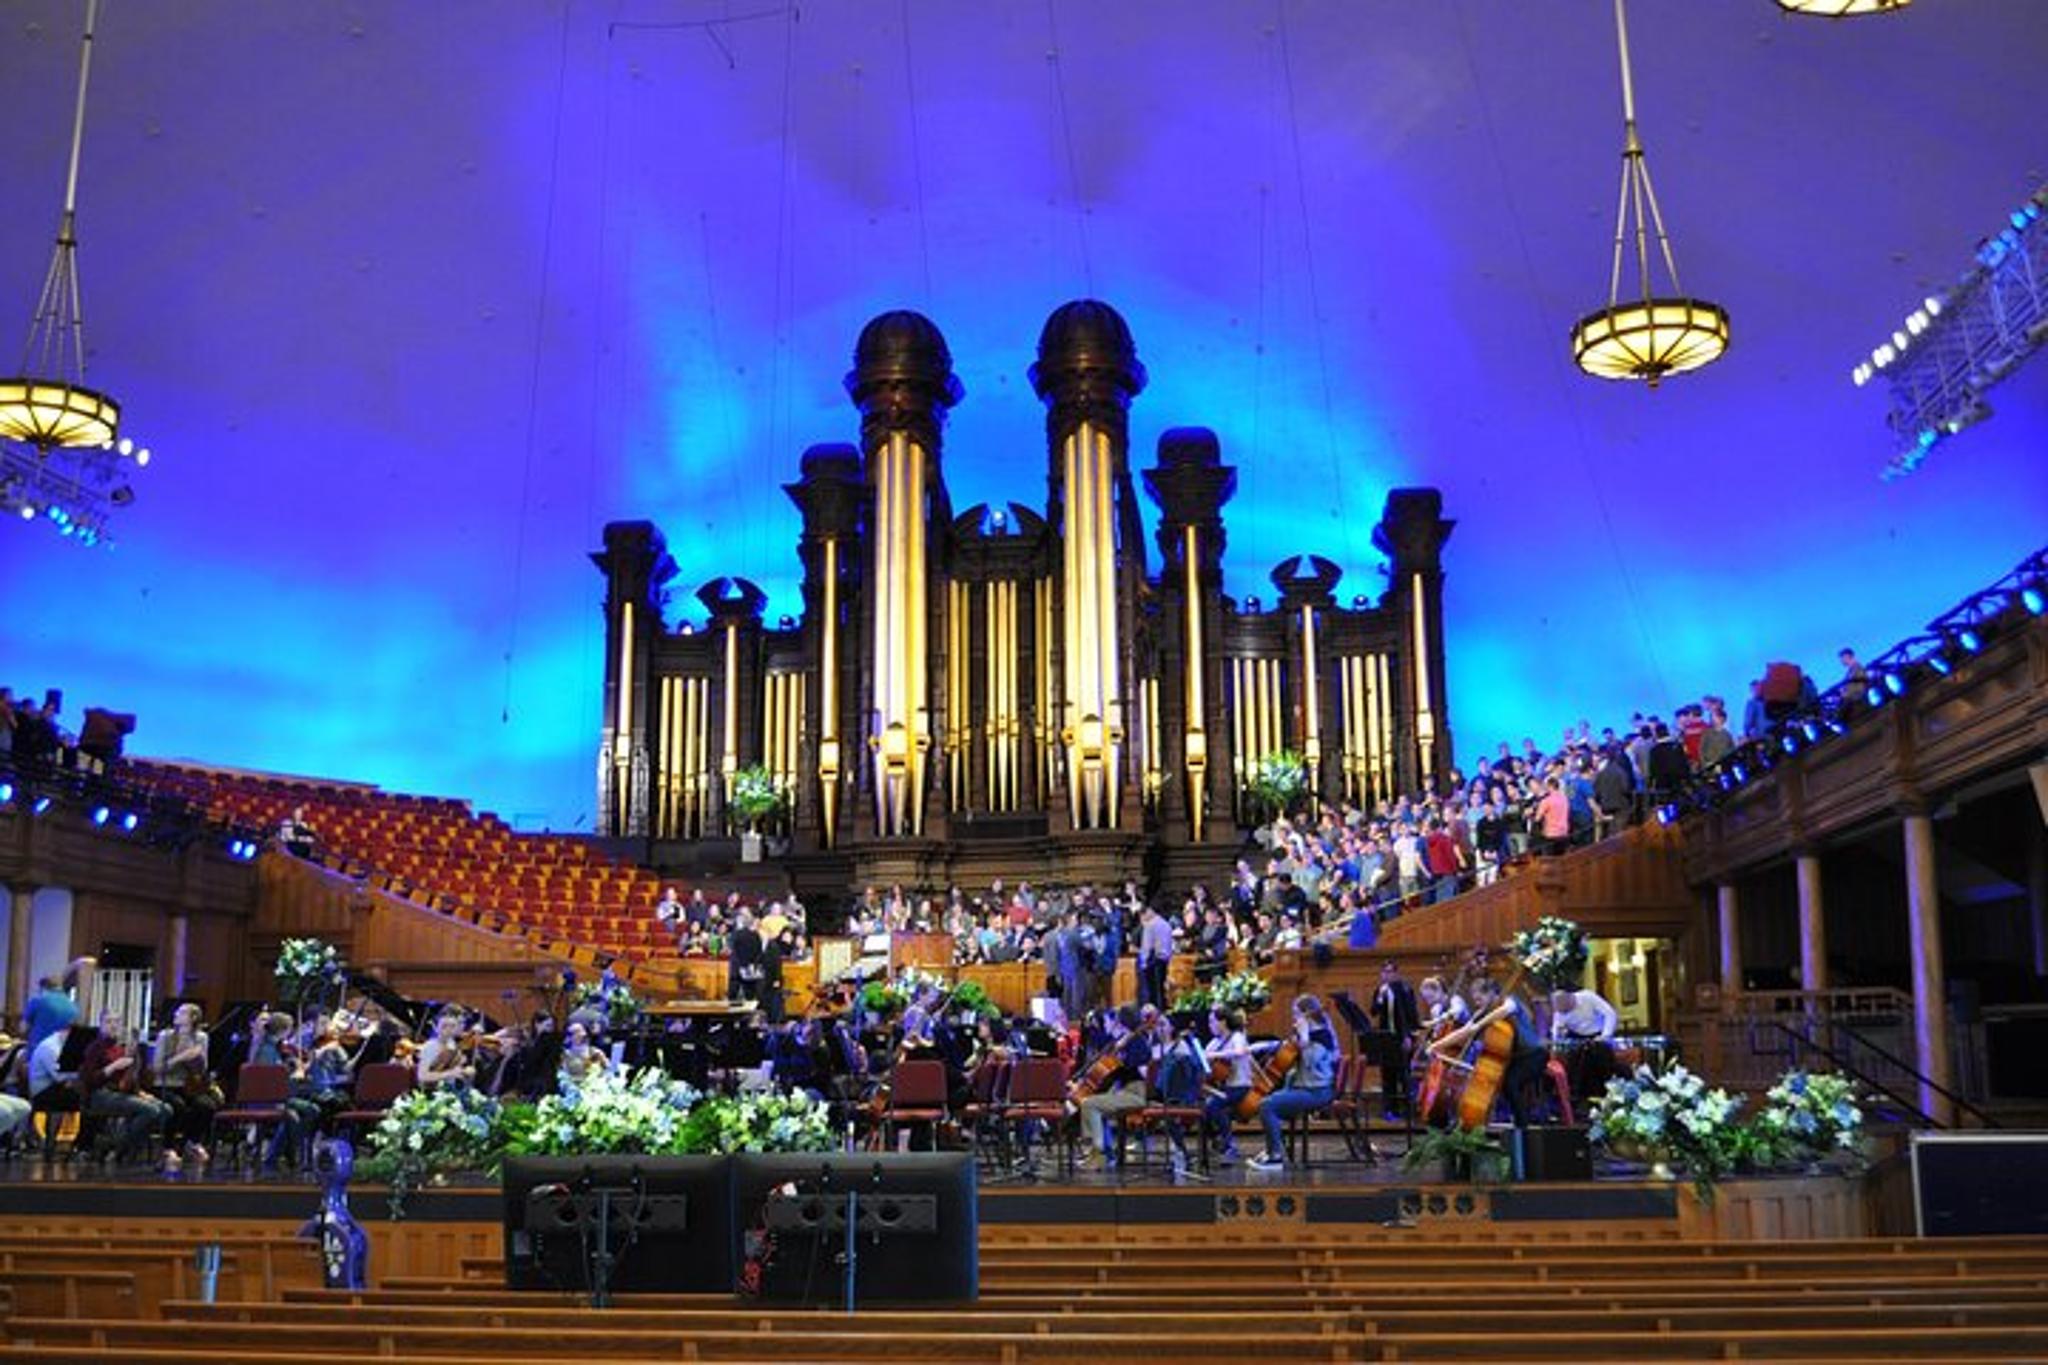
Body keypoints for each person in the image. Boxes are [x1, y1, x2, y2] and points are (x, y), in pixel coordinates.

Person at [1430, 974, 1548, 1128]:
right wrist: (1437, 1045)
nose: (1477, 1003)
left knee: (1510, 1083)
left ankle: (1522, 1129)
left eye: (1480, 999)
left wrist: (1479, 1026)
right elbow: (1464, 1032)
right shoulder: (1482, 1012)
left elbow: (1504, 1010)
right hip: (1514, 1059)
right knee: (1497, 1082)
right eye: (1475, 1000)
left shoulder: (1510, 1001)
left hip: (1534, 1055)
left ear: (1492, 993)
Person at [1247, 995, 1339, 1171]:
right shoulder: (1309, 1035)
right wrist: (1262, 1046)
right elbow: (1287, 1046)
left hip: (1318, 1092)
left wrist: (1304, 1038)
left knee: (1267, 1105)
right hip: (1305, 1089)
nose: (1294, 1018)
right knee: (1268, 1100)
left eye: (1296, 1014)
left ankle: (1276, 1157)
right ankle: (1273, 1149)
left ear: (1307, 1015)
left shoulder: (1322, 1036)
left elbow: (1311, 1062)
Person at [79, 1013, 174, 1169]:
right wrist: (112, 1067)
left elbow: (128, 1080)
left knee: (166, 1109)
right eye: (108, 1022)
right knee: (150, 1111)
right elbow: (88, 1080)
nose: (113, 1025)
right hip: (100, 1094)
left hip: (121, 1093)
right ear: (101, 1025)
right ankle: (117, 1148)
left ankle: (116, 1146)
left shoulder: (121, 1048)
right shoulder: (94, 1048)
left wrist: (140, 1093)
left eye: (116, 1022)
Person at [1075, 1005, 1152, 1168]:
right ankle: (1103, 1152)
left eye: (1115, 1022)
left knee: (1090, 1104)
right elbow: (1103, 1043)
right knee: (1092, 1102)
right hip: (1124, 1091)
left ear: (1121, 1023)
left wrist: (1122, 1057)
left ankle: (1099, 1154)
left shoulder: (1137, 1041)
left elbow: (1139, 1061)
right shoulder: (1122, 1041)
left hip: (1136, 1093)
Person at [151, 1002, 216, 1163]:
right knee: (178, 1106)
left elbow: (203, 1069)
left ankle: (191, 1142)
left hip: (190, 1086)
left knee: (207, 1106)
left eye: (181, 1013)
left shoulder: (201, 1037)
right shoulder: (165, 1036)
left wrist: (196, 1058)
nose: (176, 1015)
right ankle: (168, 1147)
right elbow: (158, 1068)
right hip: (166, 1084)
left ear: (193, 1018)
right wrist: (180, 1058)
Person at [1550, 986, 1620, 1102]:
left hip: (1598, 1035)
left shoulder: (1588, 997)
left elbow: (1609, 1013)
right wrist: (1558, 1038)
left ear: (1569, 998)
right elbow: (1556, 1031)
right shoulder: (1559, 1011)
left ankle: (1605, 1096)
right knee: (1575, 1067)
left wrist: (1605, 1035)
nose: (1562, 1011)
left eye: (1564, 1008)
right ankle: (1579, 1099)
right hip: (1576, 1037)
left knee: (1601, 1062)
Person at [1203, 1007, 1253, 1164]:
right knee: (1202, 1107)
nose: (1209, 1025)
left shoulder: (1236, 1037)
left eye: (1212, 1021)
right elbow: (1204, 1058)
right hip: (1223, 1086)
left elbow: (1238, 1052)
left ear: (1223, 1022)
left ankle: (1229, 1145)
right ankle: (1216, 1141)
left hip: (1240, 1085)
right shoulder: (1215, 1042)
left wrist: (1214, 1055)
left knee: (1213, 1105)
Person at [416, 1009, 476, 1090]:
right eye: (459, 1023)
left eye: (462, 1023)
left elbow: (449, 1071)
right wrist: (449, 1074)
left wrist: (463, 1071)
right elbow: (422, 1076)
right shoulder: (431, 1046)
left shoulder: (452, 1044)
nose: (462, 1026)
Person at [1136, 902, 1174, 1011]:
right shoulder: (1166, 924)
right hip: (1164, 960)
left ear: (1150, 911)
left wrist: (1143, 963)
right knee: (1160, 988)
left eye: (1144, 913)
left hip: (1152, 960)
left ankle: (1154, 1013)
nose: (1143, 916)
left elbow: (1147, 946)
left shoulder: (1150, 925)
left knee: (1152, 990)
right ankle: (1163, 1011)